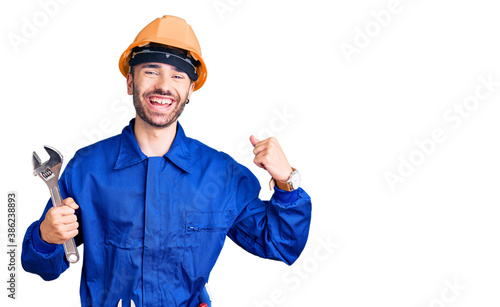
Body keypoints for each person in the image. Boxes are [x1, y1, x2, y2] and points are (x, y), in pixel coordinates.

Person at [21, 15, 312, 307]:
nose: (163, 86)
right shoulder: (87, 169)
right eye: (151, 71)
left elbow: (280, 244)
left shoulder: (221, 176)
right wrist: (45, 236)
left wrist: (287, 181)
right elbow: (41, 266)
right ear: (130, 81)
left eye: (178, 76)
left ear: (189, 90)